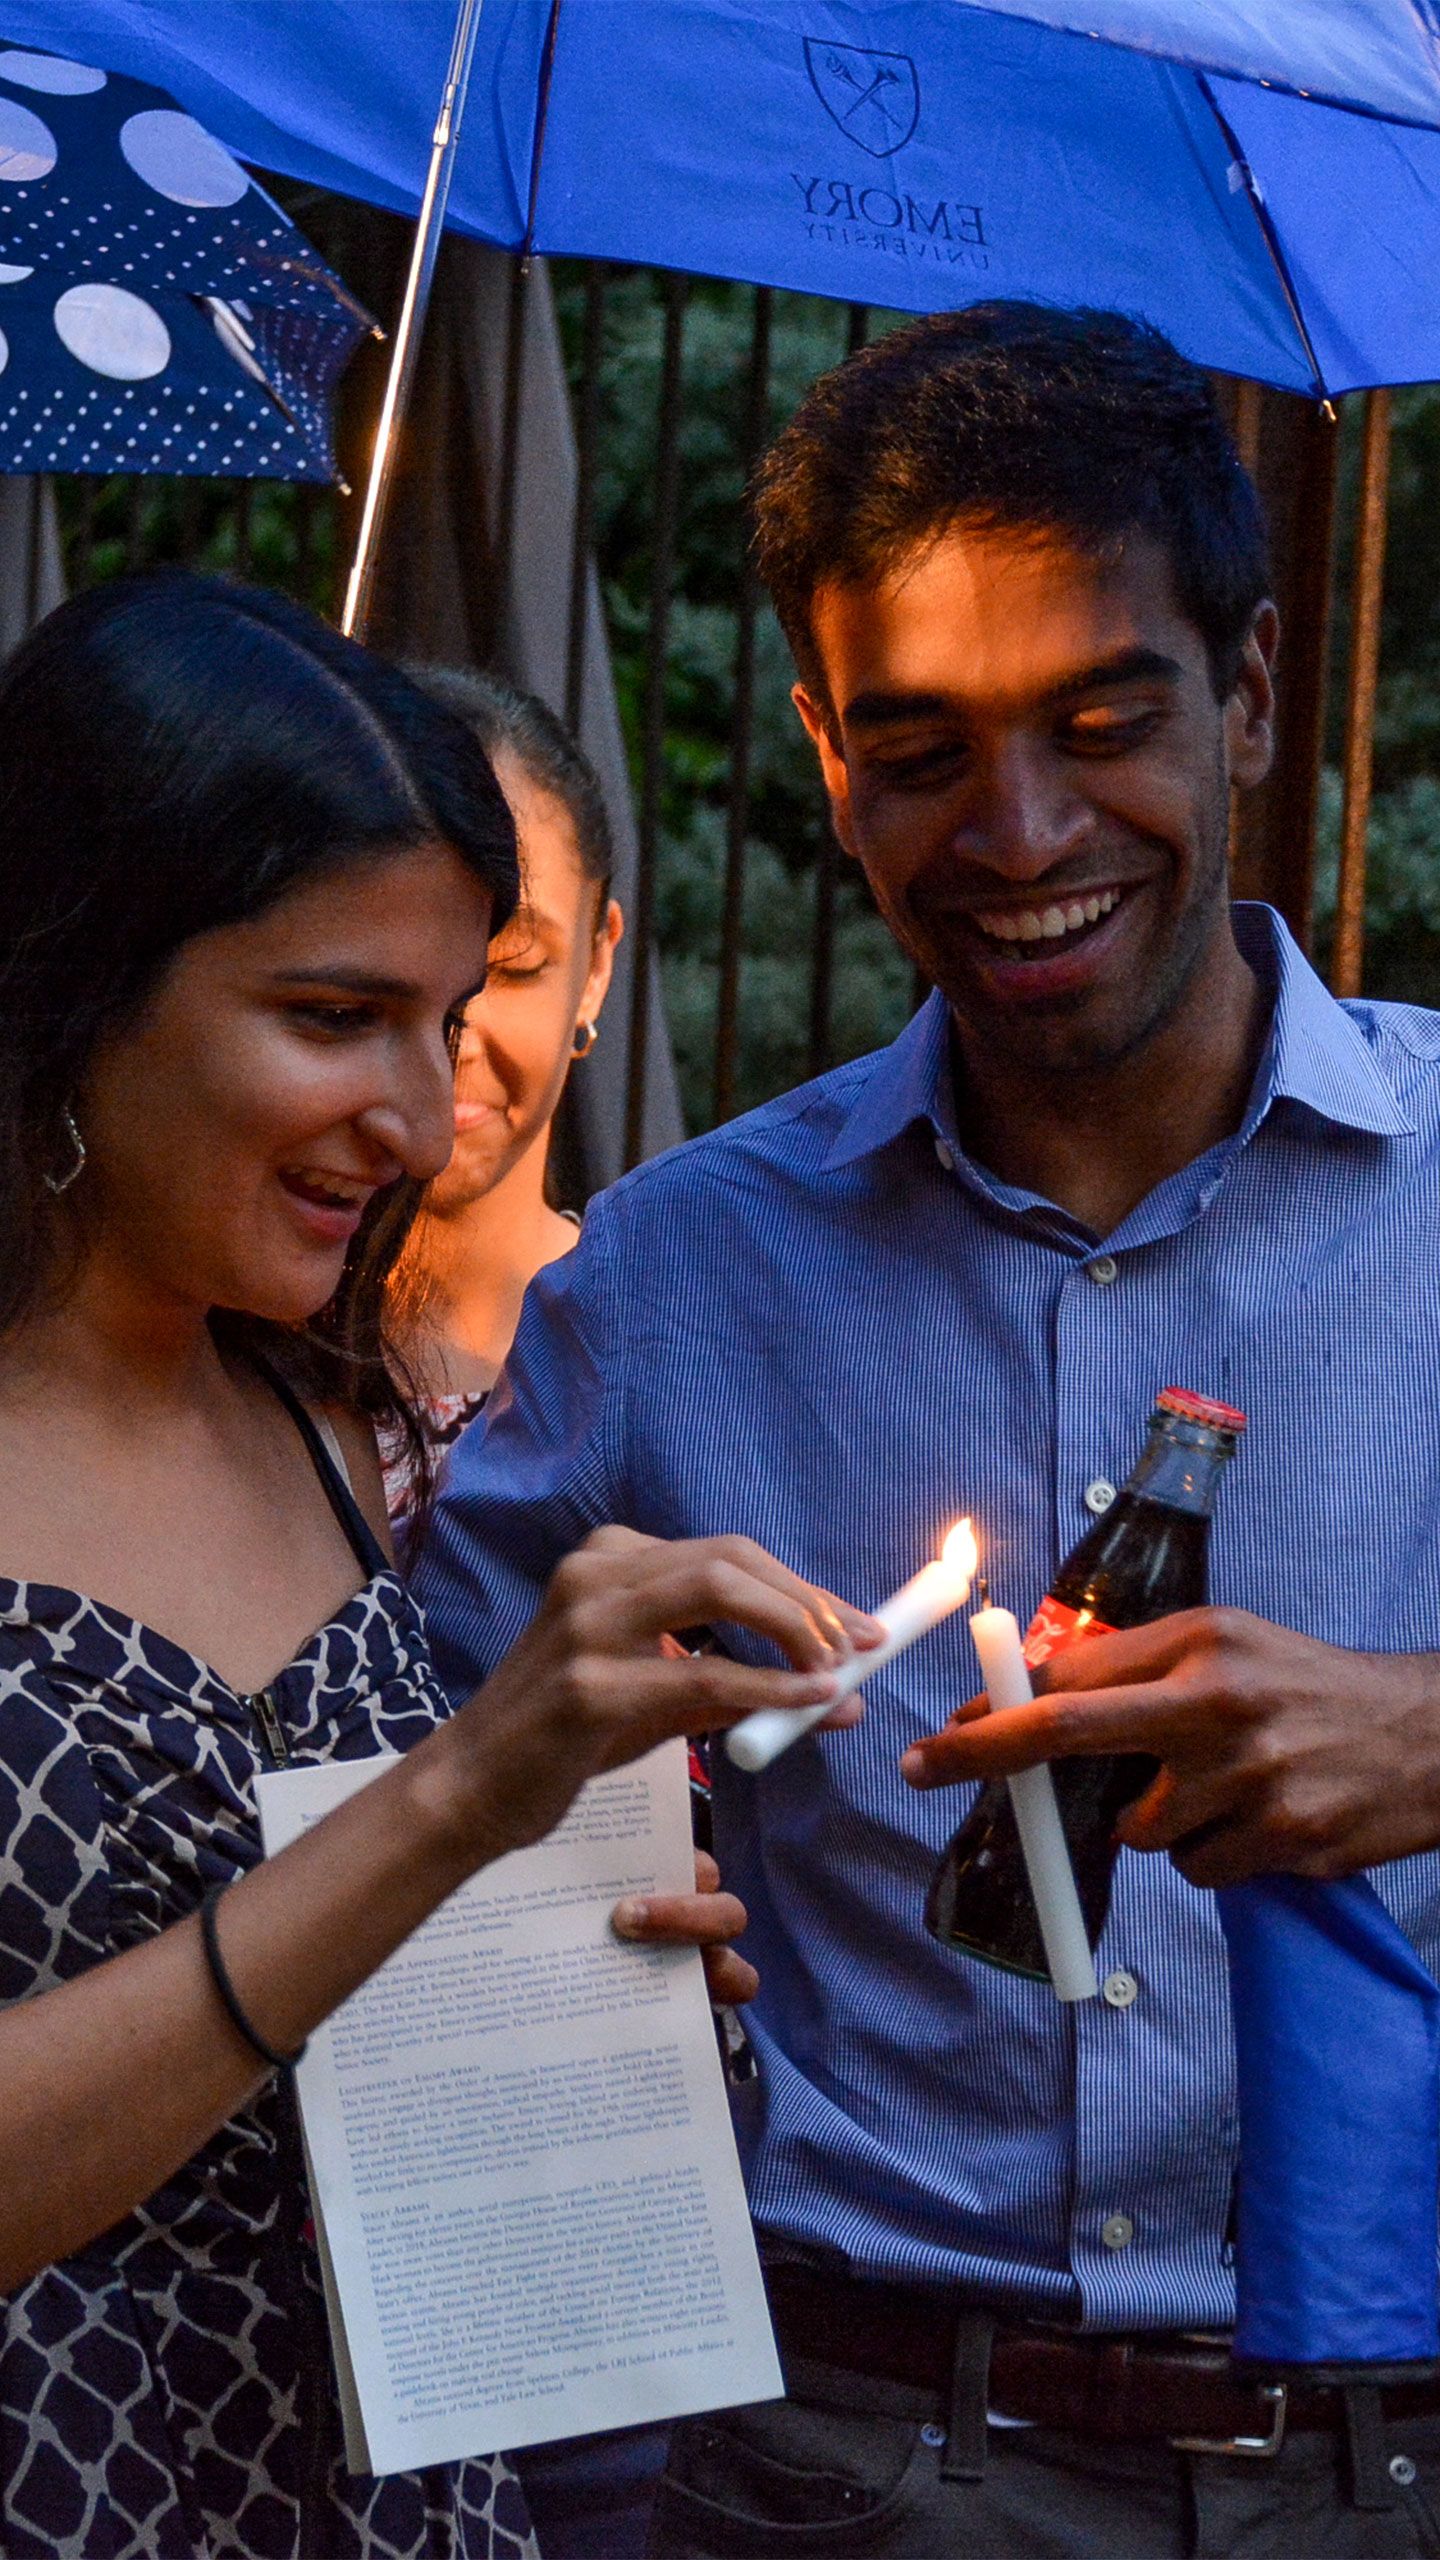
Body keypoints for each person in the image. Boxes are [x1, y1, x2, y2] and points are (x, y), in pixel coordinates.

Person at [416, 304, 1440, 2558]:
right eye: (922, 750)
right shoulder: (667, 1286)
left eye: (1101, 722)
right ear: (822, 753)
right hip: (846, 2461)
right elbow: (399, 1852)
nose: (1019, 832)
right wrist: (551, 1888)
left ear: (1255, 689)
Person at [0, 571, 875, 2560]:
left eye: (454, 1009)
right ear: (75, 977)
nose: (415, 1113)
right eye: (332, 1016)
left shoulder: (326, 1416)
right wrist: (455, 1804)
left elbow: (347, 2029)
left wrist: (583, 1983)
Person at [384, 670, 623, 1508]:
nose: (456, 1033)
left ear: (597, 963)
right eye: (397, 971)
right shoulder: (219, 1353)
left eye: (516, 967)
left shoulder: (663, 1338)